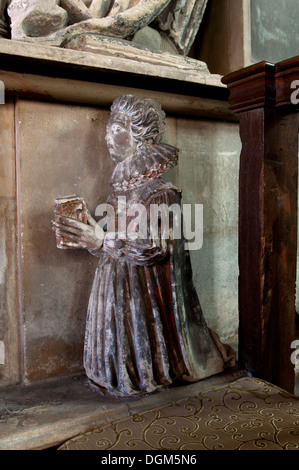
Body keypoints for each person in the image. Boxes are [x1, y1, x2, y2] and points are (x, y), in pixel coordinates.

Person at [54, 94, 235, 396]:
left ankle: (149, 369)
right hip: (116, 279)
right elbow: (114, 238)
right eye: (108, 128)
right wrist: (87, 235)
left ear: (138, 135)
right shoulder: (122, 188)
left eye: (116, 128)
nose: (107, 135)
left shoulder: (161, 192)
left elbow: (152, 247)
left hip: (142, 289)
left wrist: (101, 239)